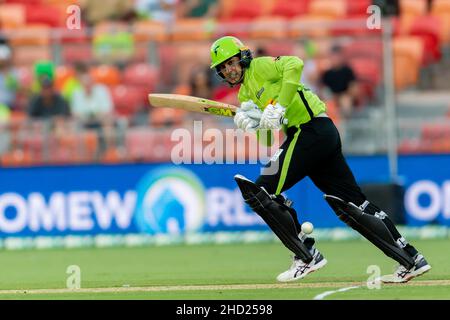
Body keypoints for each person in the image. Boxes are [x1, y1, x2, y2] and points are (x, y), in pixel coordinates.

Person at [209, 36, 431, 283]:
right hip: (316, 135)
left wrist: (280, 106)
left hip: (310, 130)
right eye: (223, 67)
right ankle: (411, 259)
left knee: (260, 192)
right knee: (352, 205)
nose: (229, 70)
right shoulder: (244, 95)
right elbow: (267, 137)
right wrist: (252, 125)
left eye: (231, 62)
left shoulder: (259, 67)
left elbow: (295, 64)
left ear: (242, 56)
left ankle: (307, 256)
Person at [320, 44, 359, 118]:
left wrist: (344, 96)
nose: (335, 59)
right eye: (333, 56)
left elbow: (353, 88)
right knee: (326, 104)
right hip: (331, 97)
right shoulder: (327, 73)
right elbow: (323, 90)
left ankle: (346, 124)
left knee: (345, 101)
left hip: (344, 96)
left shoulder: (347, 71)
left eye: (337, 56)